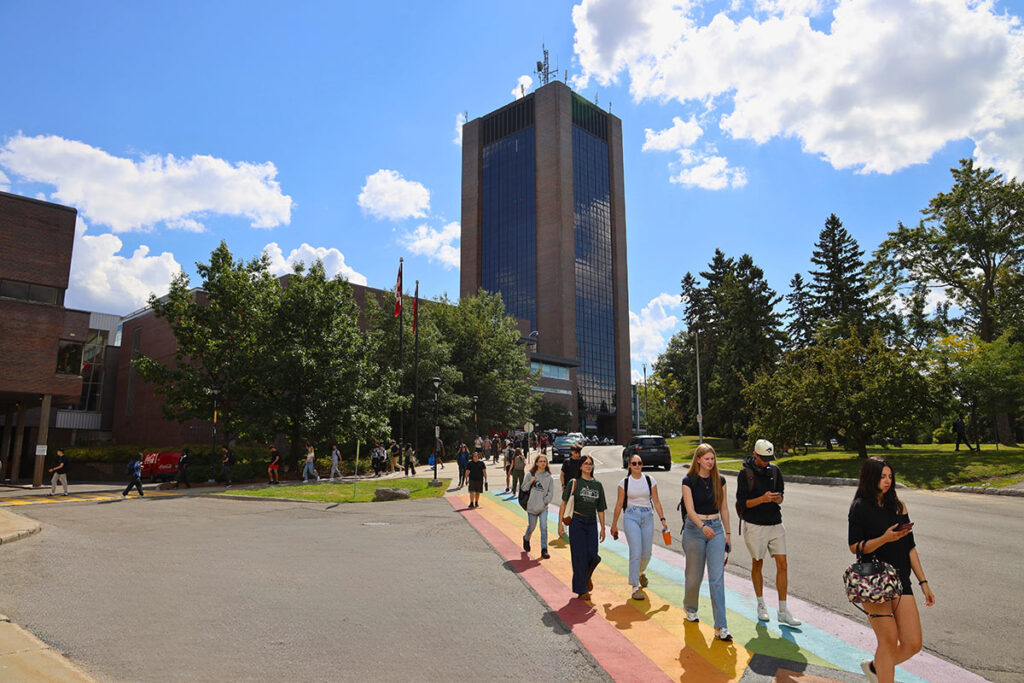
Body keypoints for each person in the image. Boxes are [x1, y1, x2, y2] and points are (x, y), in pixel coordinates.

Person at [848, 457, 935, 683]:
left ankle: (877, 667)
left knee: (913, 643)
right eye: (882, 477)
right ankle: (883, 673)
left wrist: (923, 582)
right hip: (874, 580)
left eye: (889, 477)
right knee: (888, 640)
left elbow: (910, 547)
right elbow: (854, 546)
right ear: (871, 478)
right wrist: (884, 539)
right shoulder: (860, 507)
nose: (887, 482)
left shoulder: (898, 505)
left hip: (900, 580)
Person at [736, 439, 801, 626]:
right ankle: (761, 604)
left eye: (769, 458)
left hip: (775, 523)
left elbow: (781, 496)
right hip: (755, 525)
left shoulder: (775, 471)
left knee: (783, 563)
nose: (767, 462)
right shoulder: (745, 474)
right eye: (763, 458)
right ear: (755, 455)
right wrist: (762, 499)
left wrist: (777, 499)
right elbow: (743, 503)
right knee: (758, 563)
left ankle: (783, 610)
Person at [681, 443, 733, 642]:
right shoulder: (688, 481)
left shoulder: (720, 480)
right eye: (707, 459)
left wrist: (728, 534)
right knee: (694, 577)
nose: (711, 462)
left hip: (717, 529)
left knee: (717, 578)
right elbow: (689, 509)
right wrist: (702, 526)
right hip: (695, 530)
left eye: (713, 459)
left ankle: (721, 626)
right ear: (698, 460)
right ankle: (690, 608)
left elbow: (725, 509)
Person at [610, 455, 669, 600]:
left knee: (647, 553)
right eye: (634, 463)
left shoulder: (650, 480)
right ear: (629, 465)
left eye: (640, 463)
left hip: (647, 517)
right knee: (635, 551)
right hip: (631, 516)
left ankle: (640, 572)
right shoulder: (624, 483)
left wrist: (663, 519)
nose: (637, 465)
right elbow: (619, 504)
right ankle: (635, 587)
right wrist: (614, 524)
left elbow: (656, 501)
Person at [557, 454, 606, 601]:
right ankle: (582, 590)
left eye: (590, 464)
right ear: (580, 466)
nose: (588, 466)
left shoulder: (598, 485)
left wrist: (603, 528)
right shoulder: (574, 482)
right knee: (579, 557)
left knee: (593, 555)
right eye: (585, 463)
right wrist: (560, 524)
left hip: (591, 522)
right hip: (577, 522)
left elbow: (601, 509)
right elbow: (564, 504)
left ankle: (586, 577)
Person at [521, 454, 554, 558]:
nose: (543, 463)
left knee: (544, 527)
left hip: (543, 508)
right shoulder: (530, 475)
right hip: (531, 507)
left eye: (545, 461)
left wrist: (545, 501)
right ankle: (526, 538)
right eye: (541, 461)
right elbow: (523, 488)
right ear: (536, 463)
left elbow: (550, 492)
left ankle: (544, 549)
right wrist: (530, 482)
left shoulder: (549, 477)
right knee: (532, 527)